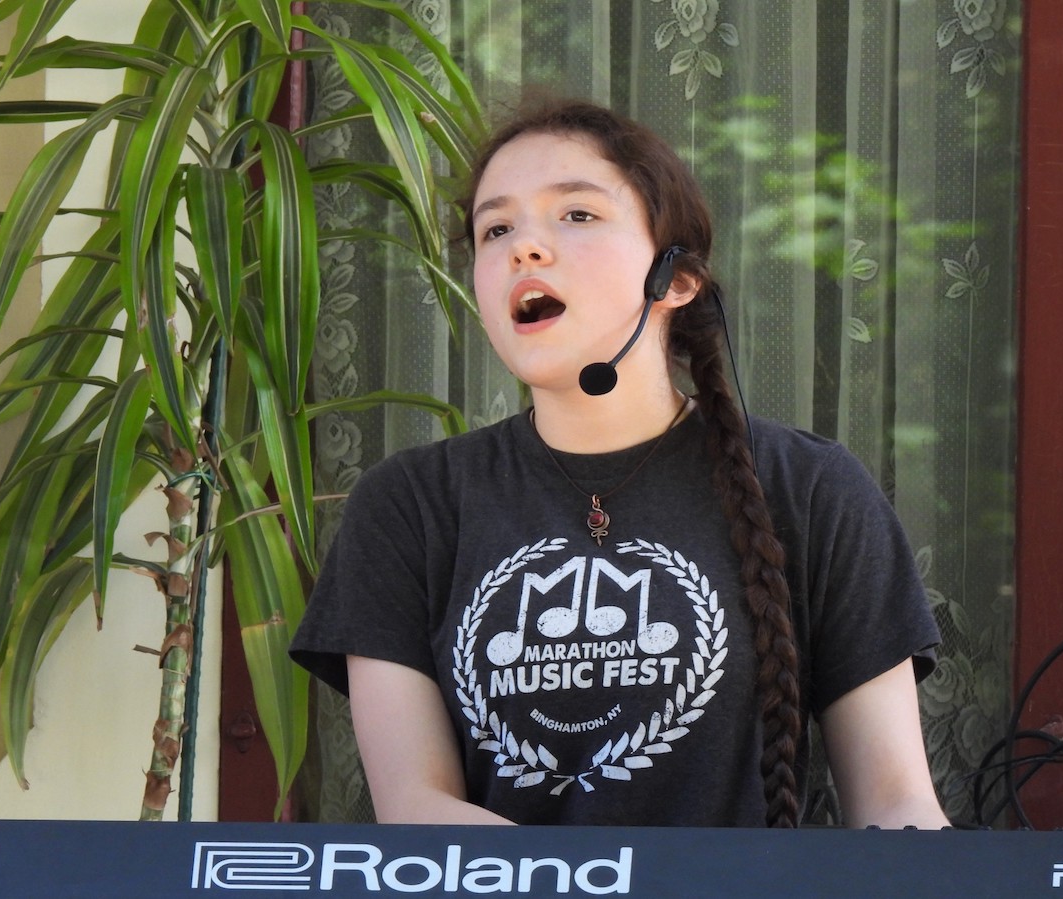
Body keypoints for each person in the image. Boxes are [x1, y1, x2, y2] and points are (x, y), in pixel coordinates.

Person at [289, 99, 949, 830]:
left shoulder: (811, 489)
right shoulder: (409, 503)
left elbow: (896, 805)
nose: (524, 248)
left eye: (577, 214)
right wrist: (581, 880)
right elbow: (416, 808)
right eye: (496, 228)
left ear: (677, 279)